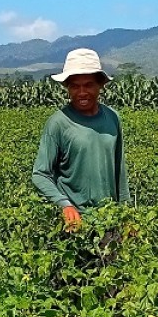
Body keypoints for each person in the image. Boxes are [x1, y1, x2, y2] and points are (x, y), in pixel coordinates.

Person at [32, 48, 130, 228]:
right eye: (75, 86)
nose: (82, 92)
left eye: (89, 85)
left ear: (100, 85)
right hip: (75, 223)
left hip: (110, 219)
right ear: (67, 87)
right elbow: (40, 174)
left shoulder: (113, 118)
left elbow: (120, 171)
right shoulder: (58, 123)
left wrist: (126, 214)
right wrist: (65, 205)